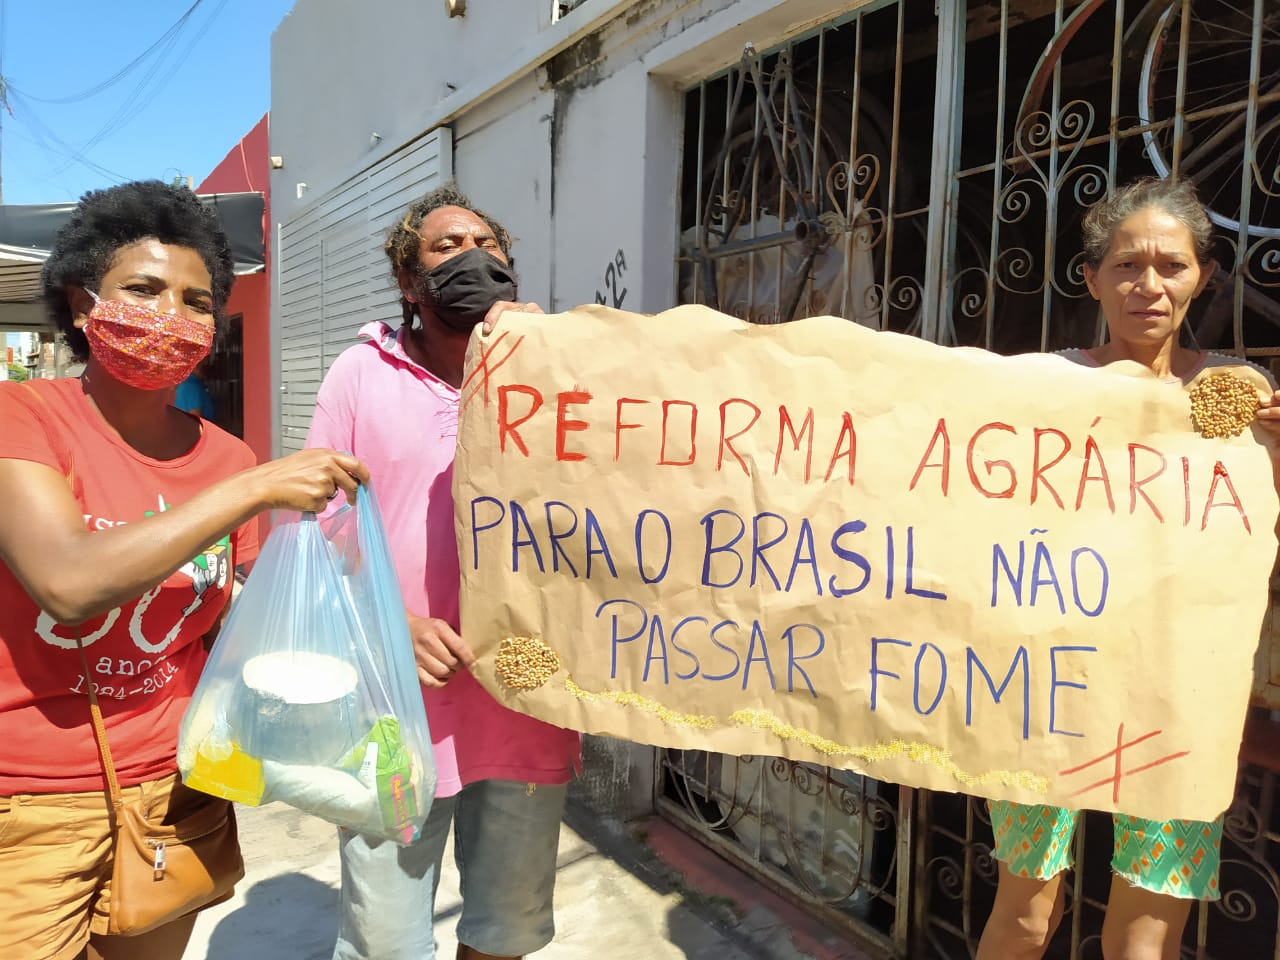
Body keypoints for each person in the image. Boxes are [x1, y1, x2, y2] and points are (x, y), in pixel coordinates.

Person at [0, 180, 369, 960]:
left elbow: (231, 613)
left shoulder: (225, 455)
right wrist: (258, 486)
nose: (172, 314)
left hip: (180, 789)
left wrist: (339, 607)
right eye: (144, 289)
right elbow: (66, 581)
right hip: (28, 810)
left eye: (197, 301)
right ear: (79, 302)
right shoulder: (24, 418)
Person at [976, 176, 1280, 960]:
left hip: (1178, 696)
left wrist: (1277, 459)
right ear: (1092, 278)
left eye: (1172, 266)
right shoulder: (1042, 389)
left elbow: (1251, 541)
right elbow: (977, 522)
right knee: (1026, 911)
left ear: (1203, 278)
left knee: (1145, 938)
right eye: (1126, 266)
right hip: (1045, 687)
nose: (1149, 285)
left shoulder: (1238, 400)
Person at [306, 184, 581, 960]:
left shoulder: (559, 372)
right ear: (408, 282)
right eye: (446, 247)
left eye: (488, 246)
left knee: (508, 927)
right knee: (384, 939)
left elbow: (612, 507)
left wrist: (546, 359)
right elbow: (320, 520)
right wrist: (393, 620)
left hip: (527, 697)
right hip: (397, 703)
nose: (473, 257)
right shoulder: (360, 374)